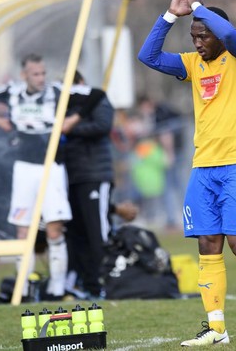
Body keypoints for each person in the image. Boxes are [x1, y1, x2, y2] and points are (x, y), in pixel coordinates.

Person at [138, 0, 236, 346]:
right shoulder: (192, 64)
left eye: (203, 35)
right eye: (193, 37)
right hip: (204, 167)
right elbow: (149, 56)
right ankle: (217, 328)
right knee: (208, 242)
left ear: (219, 34)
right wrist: (172, 16)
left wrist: (199, 8)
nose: (198, 42)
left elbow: (233, 35)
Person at [0, 54, 102, 300]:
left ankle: (57, 290)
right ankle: (23, 289)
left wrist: (71, 121)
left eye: (43, 73)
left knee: (55, 228)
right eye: (36, 74)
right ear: (24, 75)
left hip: (52, 167)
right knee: (22, 231)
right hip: (24, 167)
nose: (41, 78)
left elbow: (96, 95)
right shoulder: (12, 92)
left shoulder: (56, 91)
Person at [62, 70, 138, 299]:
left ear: (81, 83)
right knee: (78, 232)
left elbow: (103, 126)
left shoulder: (97, 98)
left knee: (99, 232)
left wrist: (70, 128)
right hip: (72, 176)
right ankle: (90, 283)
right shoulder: (63, 103)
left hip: (95, 173)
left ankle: (111, 281)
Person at [138, 95, 186, 230]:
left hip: (170, 154)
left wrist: (168, 155)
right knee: (178, 184)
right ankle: (187, 213)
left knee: (169, 186)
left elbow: (166, 135)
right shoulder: (165, 111)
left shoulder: (159, 114)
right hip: (177, 151)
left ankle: (172, 218)